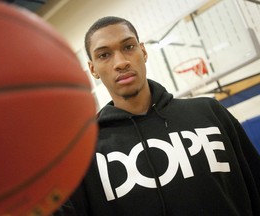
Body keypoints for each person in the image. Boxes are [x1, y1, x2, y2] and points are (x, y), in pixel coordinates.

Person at [54, 16, 260, 216]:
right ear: (93, 69)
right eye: (104, 55)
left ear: (142, 51)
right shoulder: (85, 151)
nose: (120, 62)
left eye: (128, 47)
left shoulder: (209, 112)